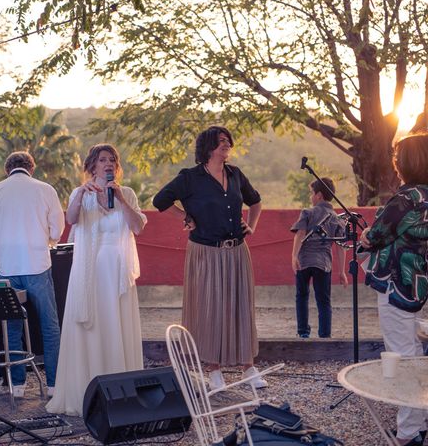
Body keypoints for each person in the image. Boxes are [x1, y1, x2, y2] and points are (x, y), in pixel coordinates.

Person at [153, 126, 265, 390]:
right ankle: (214, 370)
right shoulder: (190, 178)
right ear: (207, 147)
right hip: (206, 253)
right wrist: (185, 217)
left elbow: (256, 202)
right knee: (211, 308)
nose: (226, 144)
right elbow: (160, 201)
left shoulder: (235, 174)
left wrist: (252, 225)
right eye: (220, 141)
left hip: (237, 251)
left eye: (228, 140)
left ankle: (248, 367)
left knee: (241, 307)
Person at [46, 144, 147, 417]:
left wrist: (121, 200)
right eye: (102, 160)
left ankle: (121, 395)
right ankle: (87, 393)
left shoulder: (126, 193)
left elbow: (137, 227)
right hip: (88, 275)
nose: (108, 163)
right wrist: (79, 195)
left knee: (116, 327)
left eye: (112, 159)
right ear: (92, 166)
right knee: (92, 329)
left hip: (117, 276)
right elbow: (71, 219)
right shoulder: (81, 193)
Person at [0, 151, 65, 399]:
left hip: (7, 268)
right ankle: (54, 385)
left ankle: (17, 386)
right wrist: (45, 240)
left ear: (7, 170)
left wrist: (2, 243)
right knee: (50, 326)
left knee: (12, 328)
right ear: (31, 168)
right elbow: (57, 229)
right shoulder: (45, 189)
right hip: (38, 264)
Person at [360, 132, 428, 446]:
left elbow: (373, 237)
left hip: (399, 287)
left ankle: (409, 432)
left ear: (407, 163)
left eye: (398, 158)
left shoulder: (405, 199)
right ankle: (420, 421)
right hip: (422, 286)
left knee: (404, 356)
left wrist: (366, 238)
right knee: (417, 352)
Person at [290, 178, 348, 338]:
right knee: (324, 301)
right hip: (324, 263)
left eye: (312, 193)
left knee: (301, 296)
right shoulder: (337, 218)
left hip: (304, 261)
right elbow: (341, 246)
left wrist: (294, 256)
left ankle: (303, 333)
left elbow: (300, 233)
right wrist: (342, 271)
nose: (311, 197)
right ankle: (324, 335)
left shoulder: (307, 212)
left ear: (319, 195)